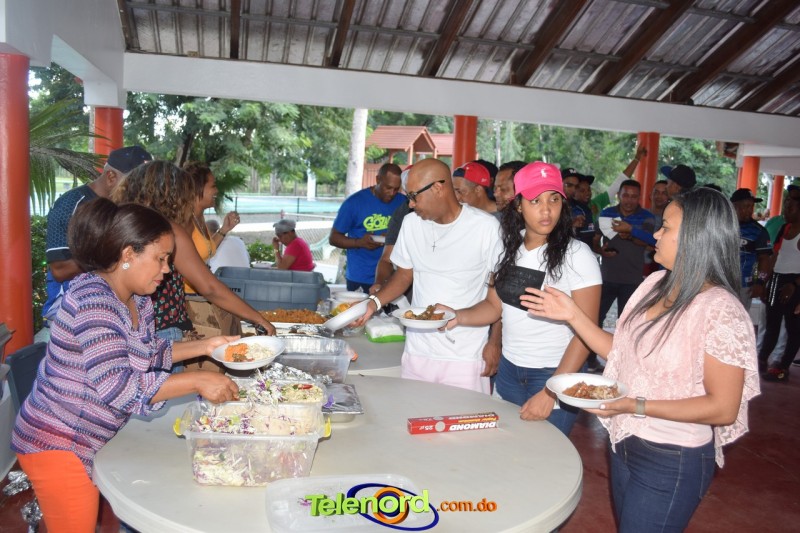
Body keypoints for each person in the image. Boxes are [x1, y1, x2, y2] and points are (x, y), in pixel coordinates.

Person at [526, 187, 760, 531]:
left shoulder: (721, 310)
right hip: (624, 442)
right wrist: (572, 314)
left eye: (666, 227)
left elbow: (723, 407)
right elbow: (620, 351)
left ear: (695, 238)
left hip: (672, 457)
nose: (656, 235)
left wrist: (633, 405)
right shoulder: (655, 283)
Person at [12, 198, 240, 532]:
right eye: (160, 259)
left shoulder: (137, 299)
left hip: (90, 436)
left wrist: (207, 347)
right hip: (60, 440)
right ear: (128, 254)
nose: (167, 269)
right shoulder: (93, 301)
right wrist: (199, 381)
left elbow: (146, 352)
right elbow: (120, 387)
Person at [442, 161, 601, 435]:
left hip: (554, 372)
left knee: (545, 456)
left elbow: (587, 334)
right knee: (506, 451)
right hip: (509, 370)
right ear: (518, 205)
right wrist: (457, 315)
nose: (546, 210)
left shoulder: (577, 255)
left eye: (554, 199)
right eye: (535, 201)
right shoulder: (505, 248)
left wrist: (551, 392)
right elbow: (494, 306)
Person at [355, 158, 502, 393]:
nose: (411, 204)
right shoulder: (411, 224)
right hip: (418, 352)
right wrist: (374, 303)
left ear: (437, 188)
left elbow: (497, 301)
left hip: (464, 355)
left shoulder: (486, 228)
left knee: (465, 417)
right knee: (414, 411)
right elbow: (404, 276)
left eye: (414, 196)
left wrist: (494, 342)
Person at [112, 161, 275, 342]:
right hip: (163, 330)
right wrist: (258, 319)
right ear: (172, 195)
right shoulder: (168, 231)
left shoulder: (121, 223)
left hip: (124, 326)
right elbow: (209, 287)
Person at [43, 145, 152, 321]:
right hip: (72, 312)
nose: (140, 191)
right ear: (111, 176)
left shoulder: (127, 208)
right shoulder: (70, 205)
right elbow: (60, 270)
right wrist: (110, 253)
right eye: (135, 184)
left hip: (115, 308)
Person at [329, 162, 405, 292]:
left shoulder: (404, 202)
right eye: (388, 187)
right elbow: (334, 238)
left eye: (396, 189)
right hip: (360, 277)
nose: (392, 193)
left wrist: (393, 237)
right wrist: (359, 242)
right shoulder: (354, 203)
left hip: (392, 276)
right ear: (378, 180)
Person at [758, 189, 800, 381]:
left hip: (795, 282)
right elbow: (775, 255)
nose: (786, 209)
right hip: (777, 278)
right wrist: (765, 281)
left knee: (793, 328)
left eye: (791, 206)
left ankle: (782, 368)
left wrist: (795, 285)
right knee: (772, 323)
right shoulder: (784, 228)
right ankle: (762, 359)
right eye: (786, 204)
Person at [183, 161, 240, 293]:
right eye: (213, 186)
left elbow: (205, 249)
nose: (216, 190)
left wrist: (224, 229)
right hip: (187, 295)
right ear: (197, 188)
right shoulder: (185, 221)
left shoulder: (199, 217)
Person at [730, 188, 772, 310]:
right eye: (746, 206)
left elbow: (765, 259)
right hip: (719, 282)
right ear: (734, 206)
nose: (750, 210)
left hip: (743, 286)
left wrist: (760, 282)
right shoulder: (721, 225)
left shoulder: (759, 231)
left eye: (751, 206)